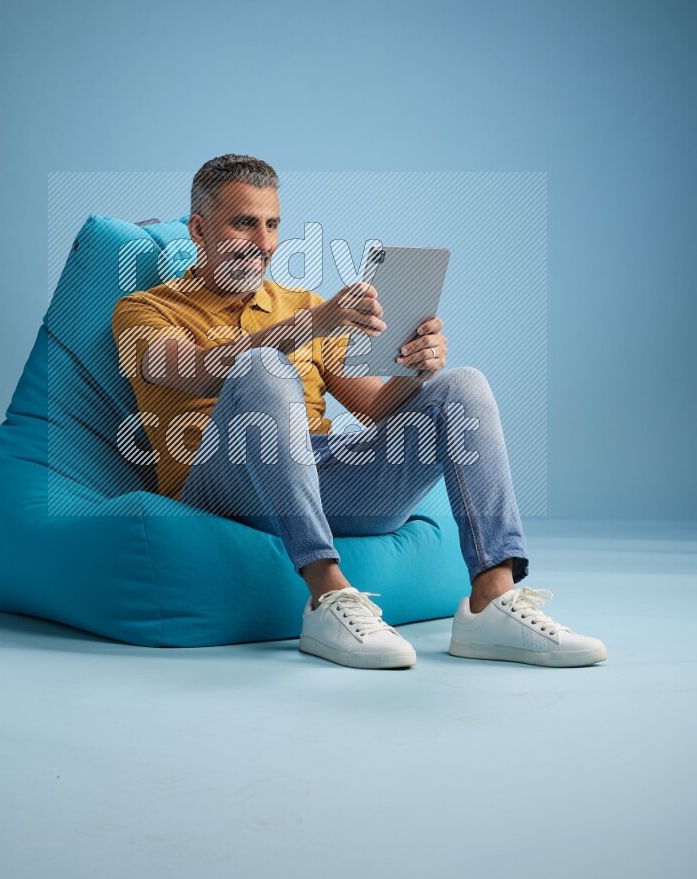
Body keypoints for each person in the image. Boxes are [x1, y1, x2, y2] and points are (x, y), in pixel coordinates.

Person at [111, 154, 607, 671]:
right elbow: (198, 368)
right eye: (244, 223)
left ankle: (492, 599)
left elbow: (374, 408)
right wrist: (312, 323)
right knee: (262, 366)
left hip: (320, 475)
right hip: (219, 481)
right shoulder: (144, 310)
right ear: (199, 228)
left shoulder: (299, 301)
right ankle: (327, 596)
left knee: (461, 384)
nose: (263, 244)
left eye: (273, 224)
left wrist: (417, 369)